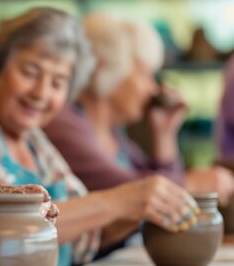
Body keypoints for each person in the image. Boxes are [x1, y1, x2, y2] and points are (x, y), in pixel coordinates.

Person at [0, 7, 200, 266]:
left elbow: (87, 236)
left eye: (58, 83)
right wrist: (120, 201)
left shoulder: (36, 143)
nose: (41, 93)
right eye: (30, 72)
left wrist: (137, 209)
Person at [44, 13, 234, 205]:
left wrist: (164, 135)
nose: (153, 88)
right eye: (146, 74)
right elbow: (126, 191)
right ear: (108, 69)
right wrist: (191, 182)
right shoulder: (65, 123)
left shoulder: (113, 133)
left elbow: (163, 199)